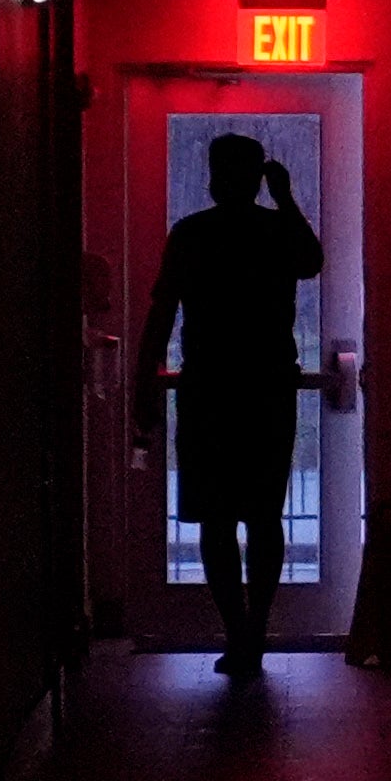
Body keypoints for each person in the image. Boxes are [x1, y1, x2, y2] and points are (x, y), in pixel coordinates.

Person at [137, 132, 323, 677]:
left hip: (210, 391)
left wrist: (145, 380)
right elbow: (312, 260)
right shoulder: (274, 232)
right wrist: (285, 198)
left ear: (215, 178)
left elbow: (162, 312)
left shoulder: (192, 234)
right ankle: (256, 629)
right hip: (266, 390)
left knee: (215, 520)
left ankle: (238, 631)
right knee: (264, 517)